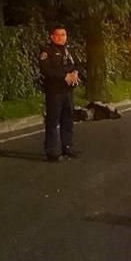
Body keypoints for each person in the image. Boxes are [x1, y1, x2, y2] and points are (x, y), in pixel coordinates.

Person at [39, 24, 81, 162]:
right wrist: (64, 76)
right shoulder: (47, 52)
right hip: (54, 92)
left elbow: (76, 65)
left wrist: (75, 73)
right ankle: (52, 152)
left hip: (68, 92)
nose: (61, 38)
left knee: (68, 120)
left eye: (63, 35)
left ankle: (67, 147)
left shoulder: (69, 51)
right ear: (52, 36)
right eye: (58, 35)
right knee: (53, 121)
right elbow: (47, 71)